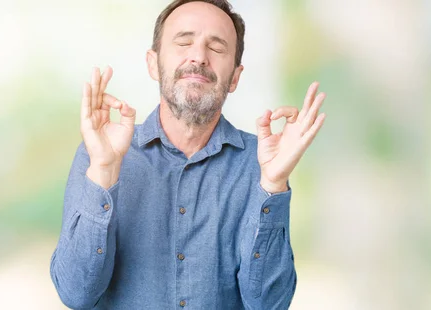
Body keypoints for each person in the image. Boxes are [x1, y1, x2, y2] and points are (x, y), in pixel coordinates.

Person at [49, 0, 326, 309]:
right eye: (184, 41)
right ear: (153, 63)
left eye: (217, 48)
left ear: (235, 76)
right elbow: (76, 294)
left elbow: (269, 304)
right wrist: (103, 170)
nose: (199, 56)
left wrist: (273, 184)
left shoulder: (261, 164)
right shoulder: (100, 153)